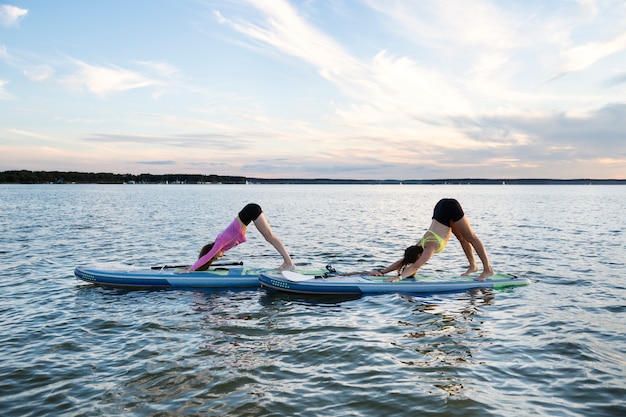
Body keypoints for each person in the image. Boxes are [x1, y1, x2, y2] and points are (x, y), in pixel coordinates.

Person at [373, 198, 494, 281]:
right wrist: (383, 272)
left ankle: (488, 269)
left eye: (417, 260)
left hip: (449, 208)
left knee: (470, 237)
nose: (418, 264)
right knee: (462, 239)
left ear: (419, 255)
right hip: (441, 208)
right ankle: (473, 266)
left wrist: (398, 278)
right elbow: (404, 260)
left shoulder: (429, 247)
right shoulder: (418, 246)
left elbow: (415, 266)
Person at [189, 203, 295, 271]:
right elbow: (208, 256)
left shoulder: (219, 243)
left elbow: (208, 255)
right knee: (269, 237)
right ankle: (286, 262)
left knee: (270, 237)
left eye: (216, 257)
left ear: (214, 251)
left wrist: (191, 269)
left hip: (251, 211)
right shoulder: (222, 244)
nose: (220, 257)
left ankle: (289, 263)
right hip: (249, 212)